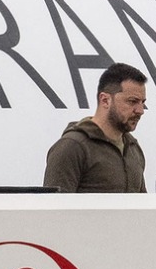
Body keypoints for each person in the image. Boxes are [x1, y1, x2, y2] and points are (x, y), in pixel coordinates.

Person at [44, 63, 148, 193]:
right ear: (105, 100)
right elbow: (54, 205)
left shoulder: (133, 148)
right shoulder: (72, 147)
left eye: (142, 102)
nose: (140, 110)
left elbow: (142, 204)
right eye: (132, 101)